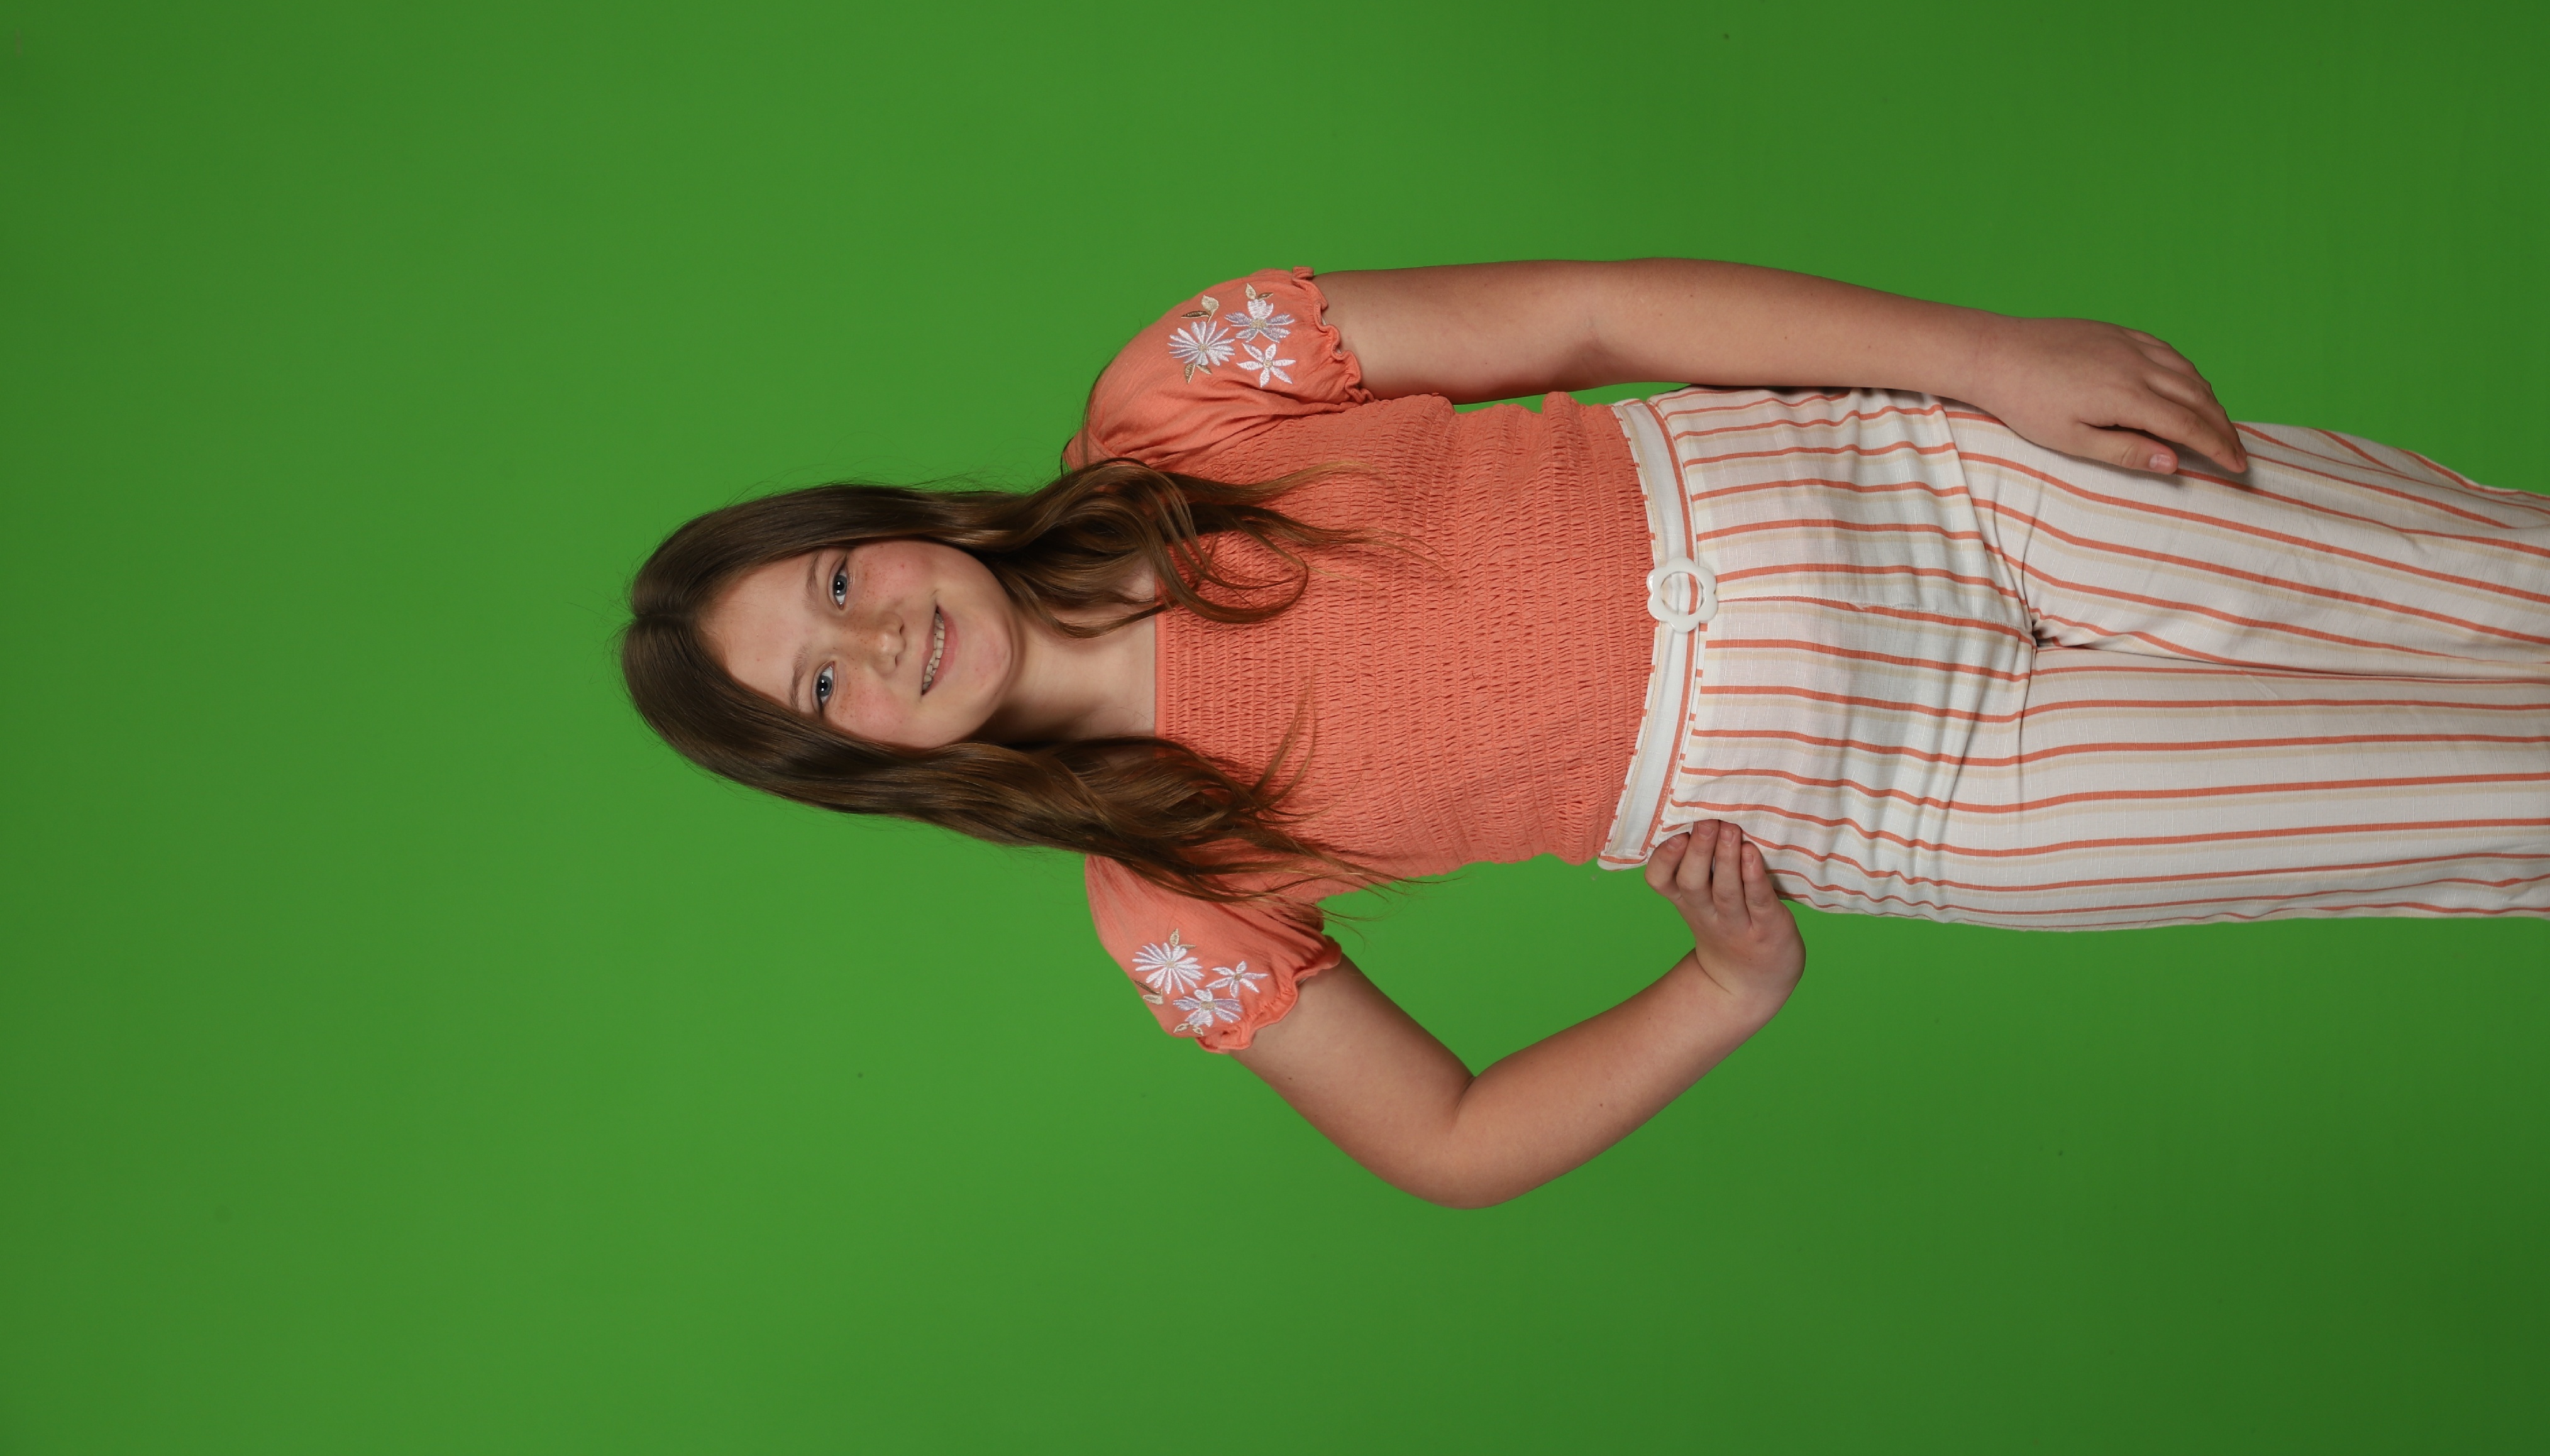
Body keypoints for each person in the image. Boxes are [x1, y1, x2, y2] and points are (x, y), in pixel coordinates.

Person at [622, 260, 2550, 1206]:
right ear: (851, 763)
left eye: (839, 580)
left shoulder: (1180, 398)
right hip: (1942, 794)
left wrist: (1979, 358)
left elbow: (1588, 311)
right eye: (823, 684)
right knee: (2507, 795)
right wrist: (1720, 991)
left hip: (1945, 486)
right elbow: (1446, 1141)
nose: (877, 640)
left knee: (2511, 585)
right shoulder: (1168, 893)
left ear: (886, 523)